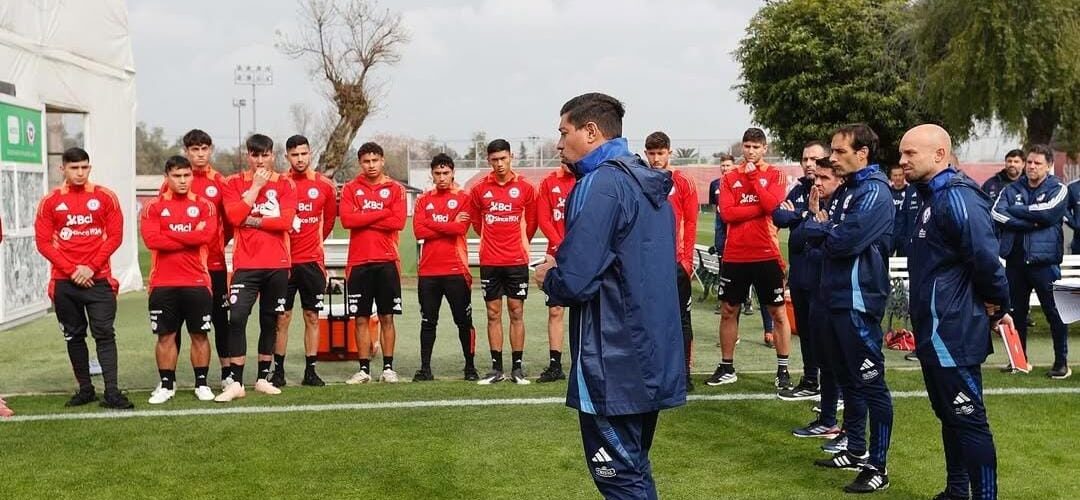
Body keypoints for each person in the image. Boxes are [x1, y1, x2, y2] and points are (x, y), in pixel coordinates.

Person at [535, 92, 685, 500]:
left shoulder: (601, 184)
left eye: (564, 132)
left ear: (591, 132)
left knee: (619, 479)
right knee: (633, 469)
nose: (559, 143)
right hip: (651, 357)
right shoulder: (646, 179)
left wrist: (549, 276)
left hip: (613, 361)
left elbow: (577, 280)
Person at [901, 123, 1009, 500]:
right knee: (949, 415)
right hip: (933, 329)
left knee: (969, 419)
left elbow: (986, 261)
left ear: (939, 155)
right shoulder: (928, 197)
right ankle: (956, 489)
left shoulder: (958, 197)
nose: (902, 161)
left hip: (954, 330)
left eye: (910, 153)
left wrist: (999, 305)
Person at [803, 124, 894, 493]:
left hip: (857, 301)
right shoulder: (850, 191)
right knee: (848, 379)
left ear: (862, 154)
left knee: (872, 386)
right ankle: (856, 448)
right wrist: (823, 228)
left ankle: (879, 466)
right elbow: (816, 238)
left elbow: (841, 242)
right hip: (835, 297)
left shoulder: (873, 191)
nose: (833, 157)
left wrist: (823, 228)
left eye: (840, 152)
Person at [34, 147, 134, 409]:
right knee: (74, 336)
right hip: (65, 282)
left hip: (98, 280)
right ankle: (85, 389)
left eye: (84, 167)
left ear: (90, 168)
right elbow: (43, 243)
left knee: (104, 333)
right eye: (74, 168)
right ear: (63, 169)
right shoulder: (50, 201)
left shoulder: (105, 197)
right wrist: (72, 270)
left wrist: (89, 267)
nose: (80, 173)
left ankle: (112, 392)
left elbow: (115, 236)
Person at [707, 128, 792, 391]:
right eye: (747, 146)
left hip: (766, 253)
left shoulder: (776, 174)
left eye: (756, 147)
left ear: (765, 148)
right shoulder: (729, 176)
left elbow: (773, 206)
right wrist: (761, 206)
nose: (751, 151)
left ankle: (783, 369)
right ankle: (727, 366)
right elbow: (728, 214)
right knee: (728, 311)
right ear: (741, 148)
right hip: (735, 254)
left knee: (777, 312)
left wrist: (755, 178)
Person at [217, 134, 297, 402]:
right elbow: (234, 217)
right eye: (255, 155)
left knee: (269, 321)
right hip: (246, 265)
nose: (260, 160)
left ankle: (263, 377)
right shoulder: (233, 183)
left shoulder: (285, 184)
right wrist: (255, 188)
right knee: (237, 318)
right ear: (248, 156)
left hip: (277, 264)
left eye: (265, 155)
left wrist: (253, 221)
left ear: (272, 155)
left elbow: (285, 222)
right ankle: (236, 383)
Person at [140, 155, 218, 403]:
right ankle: (166, 385)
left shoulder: (205, 206)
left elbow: (205, 236)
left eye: (186, 175)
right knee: (166, 336)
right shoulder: (153, 207)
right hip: (163, 283)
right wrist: (189, 236)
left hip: (196, 281)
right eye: (177, 176)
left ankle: (202, 384)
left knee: (200, 335)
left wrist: (170, 235)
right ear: (167, 178)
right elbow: (152, 240)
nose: (182, 180)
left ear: (192, 176)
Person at [991, 144, 1070, 379]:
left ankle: (1061, 363)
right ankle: (1019, 360)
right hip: (1015, 262)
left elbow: (1048, 214)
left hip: (1044, 263)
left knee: (1055, 313)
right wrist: (1028, 221)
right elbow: (996, 214)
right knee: (1015, 313)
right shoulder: (1011, 188)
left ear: (1048, 166)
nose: (1032, 166)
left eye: (1037, 163)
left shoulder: (1059, 188)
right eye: (1030, 162)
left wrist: (1017, 211)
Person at [467, 139, 538, 385]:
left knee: (516, 311)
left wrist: (518, 244)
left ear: (511, 158)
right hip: (490, 260)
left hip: (516, 260)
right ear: (489, 160)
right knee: (492, 312)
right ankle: (496, 368)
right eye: (495, 159)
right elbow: (477, 223)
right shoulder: (478, 189)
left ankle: (517, 368)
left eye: (503, 159)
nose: (499, 164)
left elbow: (531, 222)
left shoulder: (526, 188)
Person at [271, 135, 337, 388]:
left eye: (304, 154)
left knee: (312, 316)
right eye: (294, 155)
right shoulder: (279, 183)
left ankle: (311, 371)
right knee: (282, 318)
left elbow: (329, 221)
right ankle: (278, 372)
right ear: (286, 156)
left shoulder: (324, 185)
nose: (300, 159)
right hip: (283, 262)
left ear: (310, 154)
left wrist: (314, 243)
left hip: (312, 263)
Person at [340, 142, 407, 384]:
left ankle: (388, 368)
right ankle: (364, 369)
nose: (371, 165)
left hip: (387, 260)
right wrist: (381, 213)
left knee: (387, 316)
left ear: (382, 161)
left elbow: (398, 222)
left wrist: (364, 218)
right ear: (360, 163)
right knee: (361, 318)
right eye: (366, 161)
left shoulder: (395, 189)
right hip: (358, 262)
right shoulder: (350, 188)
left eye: (375, 160)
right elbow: (347, 219)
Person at [172, 129, 232, 387]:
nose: (199, 154)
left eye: (204, 149)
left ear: (211, 150)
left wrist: (216, 244)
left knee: (220, 320)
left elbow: (230, 222)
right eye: (194, 149)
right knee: (173, 323)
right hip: (180, 267)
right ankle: (169, 379)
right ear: (186, 151)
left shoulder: (220, 181)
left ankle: (227, 373)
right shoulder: (176, 179)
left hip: (214, 265)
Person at [789, 158, 845, 439]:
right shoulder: (823, 206)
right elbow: (801, 241)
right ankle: (827, 420)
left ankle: (853, 436)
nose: (817, 182)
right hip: (818, 288)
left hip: (841, 293)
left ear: (840, 179)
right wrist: (812, 217)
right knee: (824, 358)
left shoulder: (847, 205)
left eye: (824, 177)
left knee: (843, 363)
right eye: (816, 177)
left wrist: (819, 230)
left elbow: (836, 245)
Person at [412, 153, 478, 381]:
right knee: (428, 321)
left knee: (463, 321)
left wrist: (432, 223)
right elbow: (418, 232)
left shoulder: (463, 197)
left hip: (456, 270)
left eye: (446, 173)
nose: (441, 177)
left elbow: (460, 230)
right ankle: (425, 369)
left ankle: (470, 368)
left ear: (453, 173)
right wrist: (447, 223)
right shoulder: (423, 199)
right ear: (432, 174)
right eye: (437, 173)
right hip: (428, 272)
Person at [773, 140, 828, 401]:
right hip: (800, 272)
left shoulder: (830, 190)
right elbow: (778, 216)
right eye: (805, 159)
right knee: (804, 330)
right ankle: (809, 380)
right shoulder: (798, 190)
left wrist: (799, 215)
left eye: (815, 159)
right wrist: (805, 214)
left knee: (823, 332)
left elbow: (820, 227)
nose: (809, 164)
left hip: (822, 273)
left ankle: (832, 386)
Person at [644, 131, 698, 391]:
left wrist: (686, 261)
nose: (655, 159)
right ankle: (655, 373)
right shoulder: (640, 182)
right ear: (646, 154)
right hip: (649, 266)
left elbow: (691, 222)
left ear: (669, 153)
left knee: (680, 320)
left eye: (660, 153)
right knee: (650, 320)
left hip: (675, 266)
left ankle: (684, 373)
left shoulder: (683, 182)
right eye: (651, 154)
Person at [709, 156, 774, 337]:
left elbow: (771, 206)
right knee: (730, 303)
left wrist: (748, 211)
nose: (725, 168)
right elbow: (723, 214)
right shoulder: (717, 184)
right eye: (722, 165)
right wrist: (759, 209)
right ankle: (732, 339)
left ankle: (768, 329)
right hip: (729, 243)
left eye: (728, 165)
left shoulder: (752, 178)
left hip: (761, 247)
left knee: (768, 299)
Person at [535, 161, 576, 382]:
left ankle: (583, 362)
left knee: (585, 308)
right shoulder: (548, 182)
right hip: (556, 254)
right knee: (555, 310)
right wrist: (561, 245)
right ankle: (555, 365)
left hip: (581, 254)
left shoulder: (585, 179)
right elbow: (544, 219)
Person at [888, 164, 919, 257]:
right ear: (891, 177)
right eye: (895, 175)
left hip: (905, 235)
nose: (898, 178)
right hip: (890, 234)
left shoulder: (911, 192)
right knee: (884, 264)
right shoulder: (887, 192)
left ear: (904, 175)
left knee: (904, 266)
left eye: (900, 175)